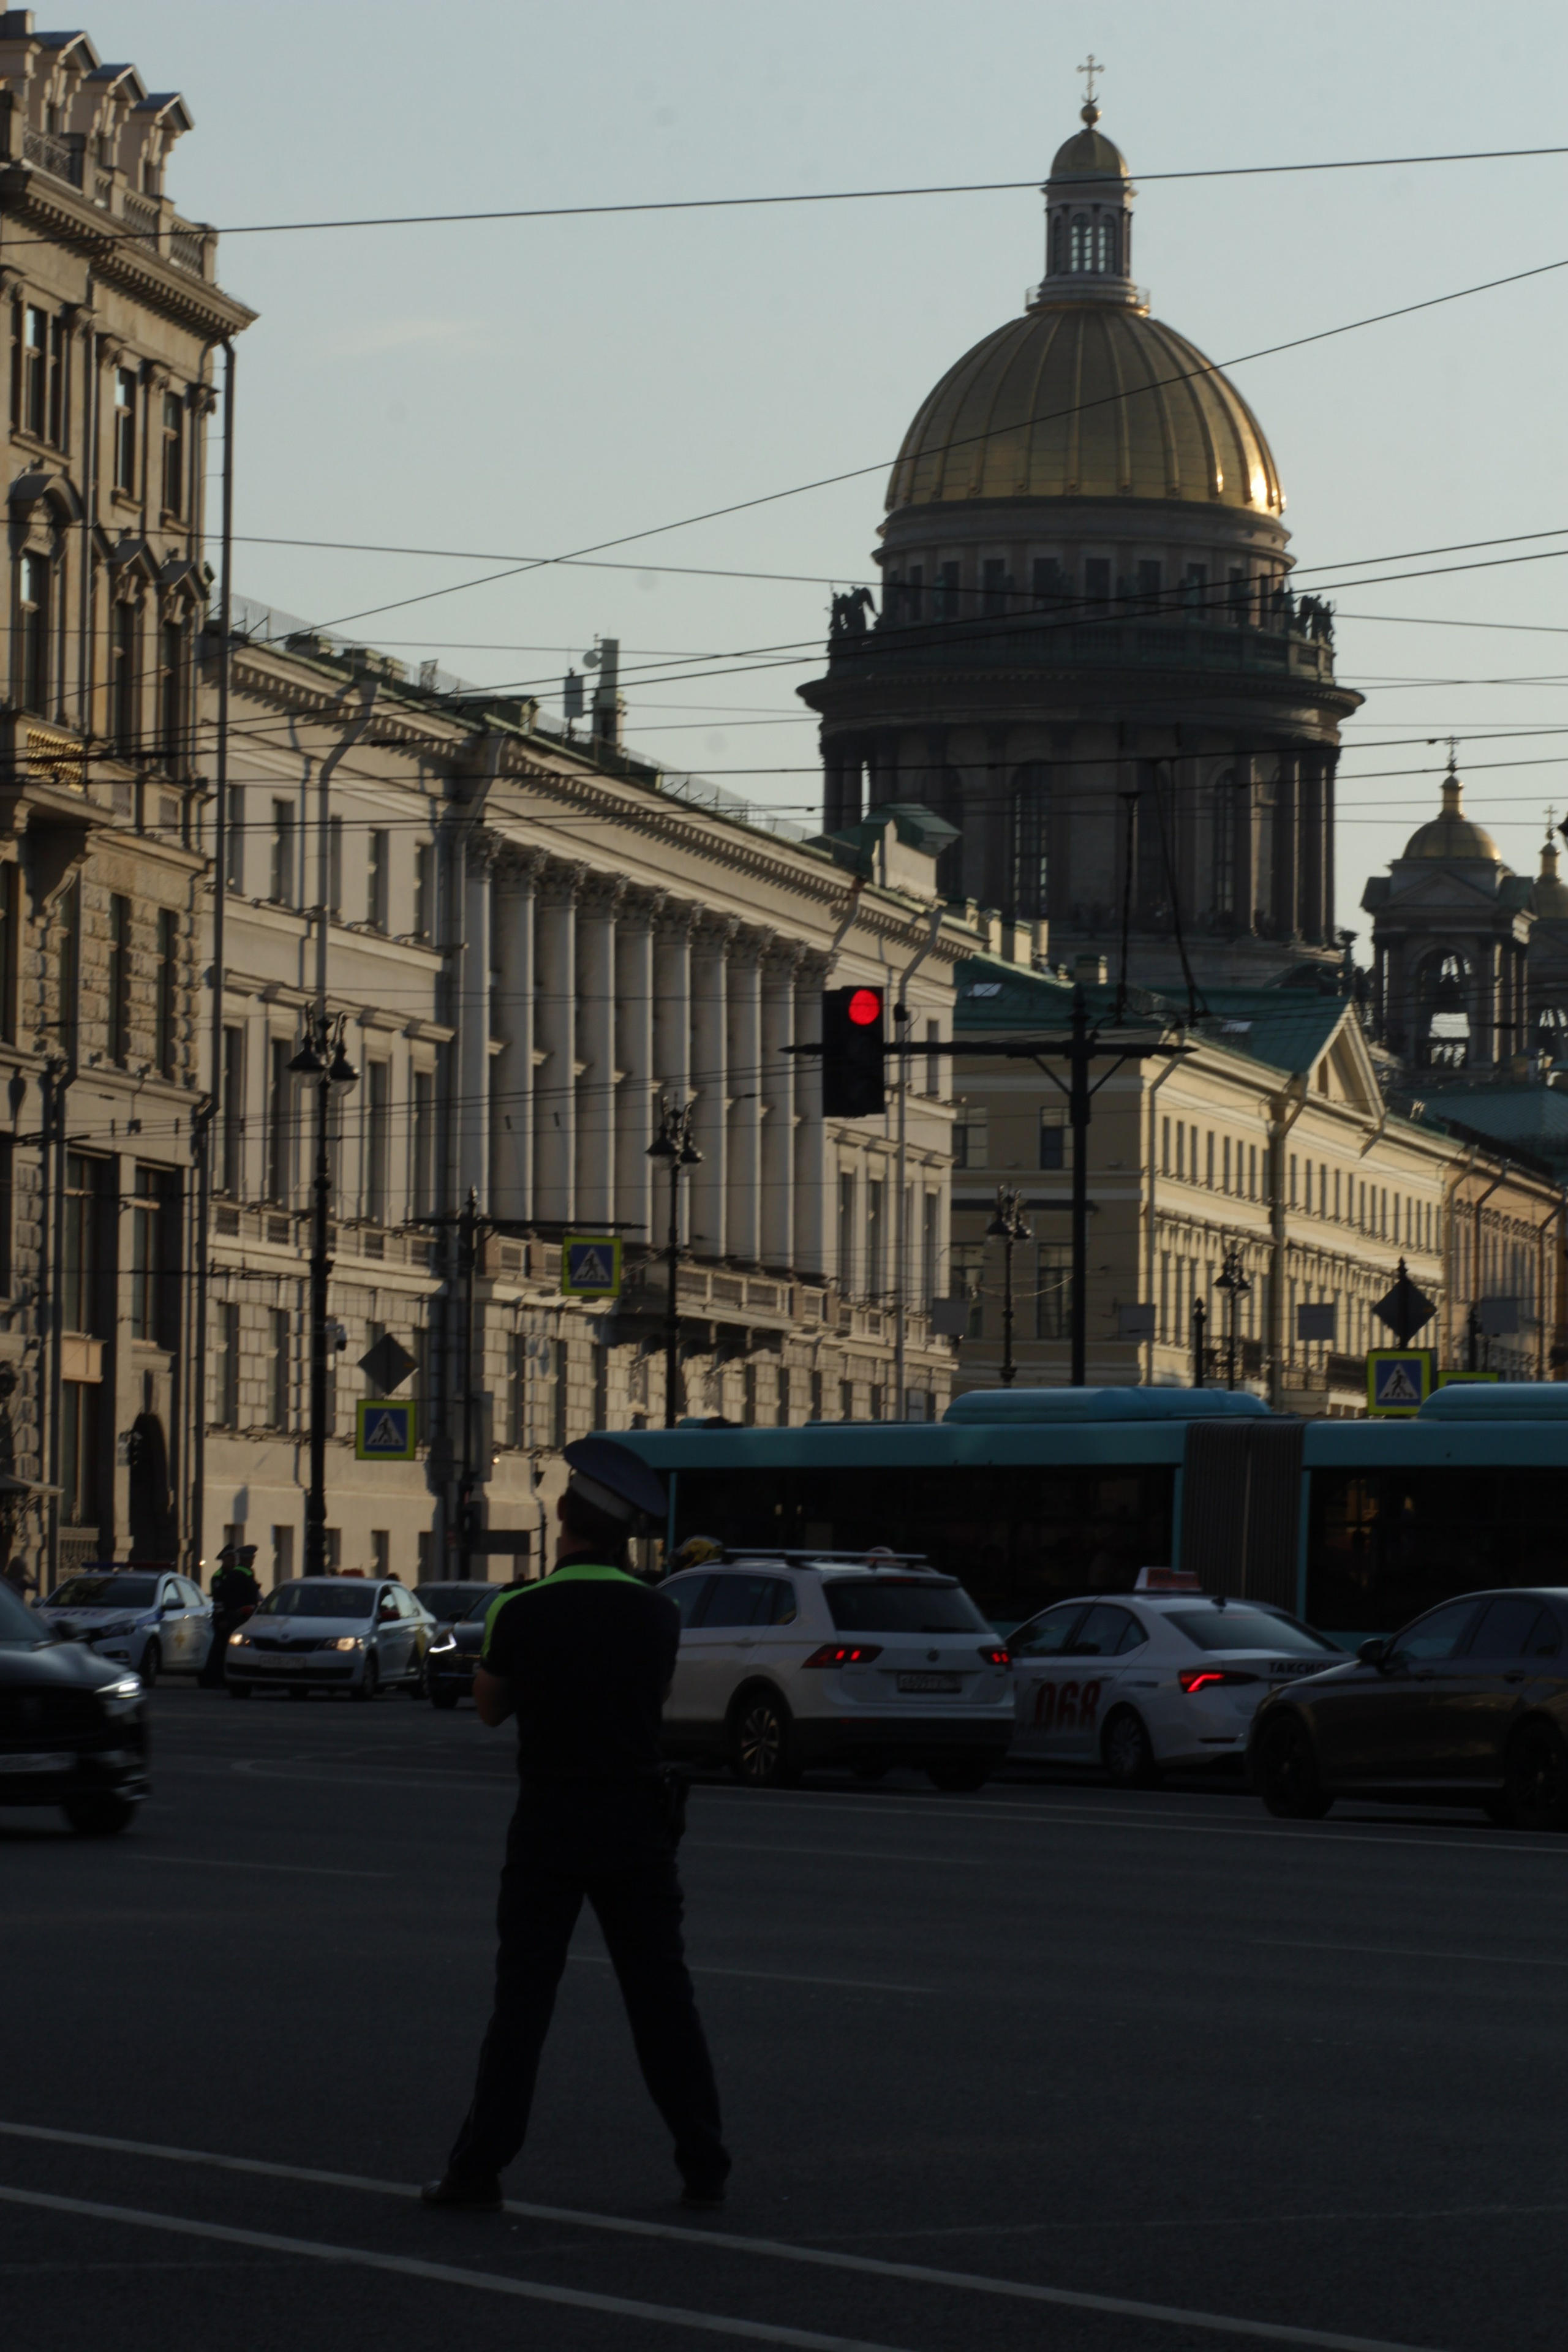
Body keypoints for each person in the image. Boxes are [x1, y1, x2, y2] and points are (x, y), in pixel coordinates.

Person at [424, 1437, 729, 2214]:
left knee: (522, 2006)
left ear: (563, 1516)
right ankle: (704, 2164)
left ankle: (478, 2171)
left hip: (551, 1823)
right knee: (663, 2000)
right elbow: (647, 1699)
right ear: (626, 1534)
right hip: (636, 1824)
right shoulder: (659, 1613)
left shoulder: (522, 1607)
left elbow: (492, 1707)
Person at [202, 1544, 262, 1687]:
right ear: (223, 1560)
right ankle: (212, 1679)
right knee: (219, 1649)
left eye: (234, 1558)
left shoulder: (235, 1574)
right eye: (230, 1559)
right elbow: (219, 1600)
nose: (233, 1561)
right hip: (224, 1617)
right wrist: (222, 1619)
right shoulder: (219, 1577)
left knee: (225, 1648)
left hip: (233, 1617)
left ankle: (220, 1678)